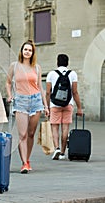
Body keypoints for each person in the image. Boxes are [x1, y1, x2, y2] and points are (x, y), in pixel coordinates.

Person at [6, 40, 49, 174]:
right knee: (22, 134)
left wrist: (46, 106)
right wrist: (9, 95)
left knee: (31, 133)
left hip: (36, 101)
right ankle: (24, 163)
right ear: (21, 51)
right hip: (21, 101)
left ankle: (28, 159)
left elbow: (40, 88)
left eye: (30, 50)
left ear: (32, 53)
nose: (27, 52)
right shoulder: (14, 66)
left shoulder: (36, 67)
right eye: (25, 49)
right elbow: (8, 82)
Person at [46, 54, 83, 160]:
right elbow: (75, 92)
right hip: (68, 104)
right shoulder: (72, 74)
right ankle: (62, 153)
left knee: (54, 127)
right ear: (67, 63)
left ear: (57, 62)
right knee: (65, 128)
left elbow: (48, 92)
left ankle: (56, 148)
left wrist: (47, 107)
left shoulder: (51, 74)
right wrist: (79, 107)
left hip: (54, 104)